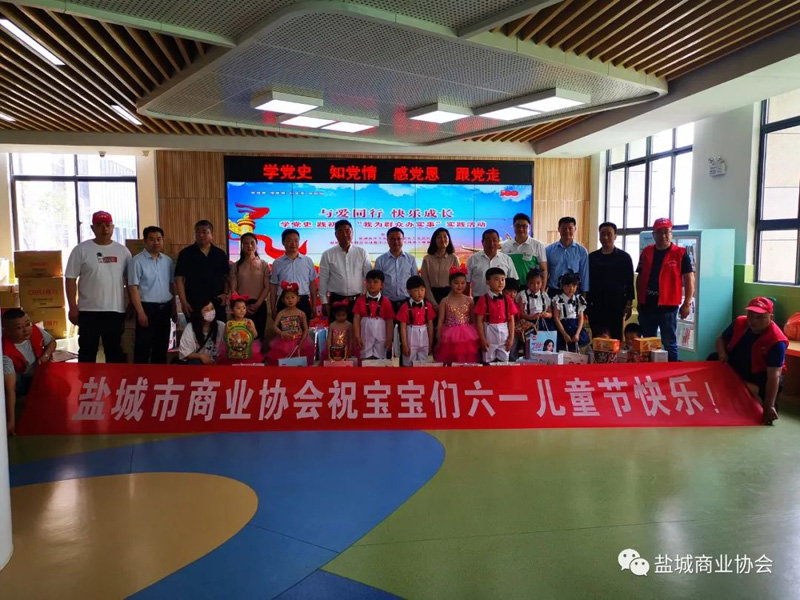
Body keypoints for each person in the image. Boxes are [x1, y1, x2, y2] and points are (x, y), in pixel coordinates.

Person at [65, 210, 131, 363]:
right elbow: (70, 279)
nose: (104, 229)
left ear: (113, 227)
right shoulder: (81, 250)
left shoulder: (123, 251)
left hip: (115, 310)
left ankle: (115, 379)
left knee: (114, 351)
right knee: (87, 351)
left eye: (107, 225)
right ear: (92, 227)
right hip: (88, 311)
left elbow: (130, 281)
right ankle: (86, 379)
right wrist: (73, 307)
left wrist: (130, 304)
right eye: (99, 225)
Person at [714, 297, 787, 425]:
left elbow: (774, 375)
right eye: (751, 315)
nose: (753, 321)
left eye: (759, 317)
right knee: (713, 358)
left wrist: (769, 405)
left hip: (761, 372)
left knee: (763, 402)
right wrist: (722, 354)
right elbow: (720, 339)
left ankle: (766, 402)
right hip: (739, 362)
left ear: (771, 318)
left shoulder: (777, 340)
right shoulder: (740, 322)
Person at [636, 217, 695, 362]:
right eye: (659, 232)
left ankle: (672, 371)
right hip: (647, 306)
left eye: (666, 232)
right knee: (647, 342)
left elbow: (689, 279)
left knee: (669, 343)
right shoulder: (646, 252)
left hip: (668, 307)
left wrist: (687, 303)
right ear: (653, 235)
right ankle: (649, 372)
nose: (663, 235)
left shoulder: (680, 253)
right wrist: (639, 300)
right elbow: (640, 277)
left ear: (671, 233)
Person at [3, 308, 56, 435]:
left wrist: (46, 355)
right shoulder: (5, 354)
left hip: (37, 374)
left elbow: (52, 342)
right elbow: (10, 389)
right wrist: (11, 422)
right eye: (19, 328)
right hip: (19, 380)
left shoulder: (35, 331)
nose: (26, 330)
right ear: (7, 331)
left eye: (28, 324)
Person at [128, 226, 175, 364]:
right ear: (145, 241)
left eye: (159, 239)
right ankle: (140, 376)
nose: (156, 242)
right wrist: (140, 312)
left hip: (165, 309)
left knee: (161, 348)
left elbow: (171, 285)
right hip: (147, 309)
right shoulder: (136, 261)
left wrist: (173, 308)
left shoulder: (167, 261)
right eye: (152, 239)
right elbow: (133, 288)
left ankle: (159, 376)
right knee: (143, 348)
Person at [587, 222, 634, 341]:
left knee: (616, 339)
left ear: (615, 236)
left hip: (616, 306)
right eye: (602, 234)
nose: (606, 237)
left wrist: (629, 305)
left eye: (609, 234)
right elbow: (586, 282)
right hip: (596, 306)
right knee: (599, 340)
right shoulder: (592, 258)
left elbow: (629, 283)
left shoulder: (624, 258)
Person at [175, 220, 230, 318]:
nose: (200, 235)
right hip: (193, 302)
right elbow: (179, 279)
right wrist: (183, 302)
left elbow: (226, 277)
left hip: (217, 302)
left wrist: (225, 294)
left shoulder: (220, 254)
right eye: (198, 232)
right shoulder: (185, 253)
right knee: (195, 327)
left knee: (219, 327)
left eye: (204, 232)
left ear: (212, 234)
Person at [319, 219, 372, 320]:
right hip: (336, 301)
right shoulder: (328, 254)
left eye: (347, 231)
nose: (344, 234)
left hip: (358, 301)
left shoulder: (362, 253)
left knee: (357, 329)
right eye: (340, 231)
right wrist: (324, 302)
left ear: (352, 232)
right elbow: (323, 279)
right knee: (336, 329)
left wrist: (367, 299)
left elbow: (368, 277)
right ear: (335, 235)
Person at [435, 265, 479, 364]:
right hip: (449, 336)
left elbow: (473, 320)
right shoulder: (444, 301)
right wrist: (439, 335)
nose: (460, 286)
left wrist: (478, 334)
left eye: (463, 283)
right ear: (450, 283)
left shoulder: (469, 300)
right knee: (451, 360)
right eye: (456, 283)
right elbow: (441, 320)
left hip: (467, 336)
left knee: (466, 361)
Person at [230, 232, 270, 341]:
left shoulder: (264, 264)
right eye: (246, 243)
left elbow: (267, 287)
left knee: (259, 337)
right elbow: (233, 289)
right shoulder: (235, 266)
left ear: (256, 245)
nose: (249, 246)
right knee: (242, 338)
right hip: (241, 307)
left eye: (252, 243)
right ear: (241, 246)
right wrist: (242, 306)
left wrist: (257, 304)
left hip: (259, 305)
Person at [271, 229, 318, 322]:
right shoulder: (277, 263)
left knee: (304, 329)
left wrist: (314, 305)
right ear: (283, 242)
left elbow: (312, 285)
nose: (293, 244)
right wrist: (273, 309)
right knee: (284, 331)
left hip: (303, 301)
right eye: (289, 240)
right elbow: (273, 287)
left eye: (296, 240)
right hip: (284, 302)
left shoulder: (307, 261)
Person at [474, 267, 518, 363]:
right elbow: (479, 321)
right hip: (489, 332)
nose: (500, 282)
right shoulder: (483, 299)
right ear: (488, 282)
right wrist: (482, 339)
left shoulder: (508, 299)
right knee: (488, 360)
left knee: (504, 360)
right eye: (496, 279)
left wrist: (511, 338)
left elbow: (511, 320)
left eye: (503, 279)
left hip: (504, 332)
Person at [267, 282, 315, 366]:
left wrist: (303, 340)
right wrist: (281, 333)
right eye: (287, 298)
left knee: (299, 364)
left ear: (298, 298)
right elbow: (275, 326)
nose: (290, 300)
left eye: (293, 297)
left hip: (299, 341)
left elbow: (306, 328)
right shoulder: (281, 313)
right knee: (285, 363)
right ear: (282, 300)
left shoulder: (301, 313)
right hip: (284, 342)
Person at [374, 227, 419, 314]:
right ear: (387, 240)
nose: (396, 242)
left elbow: (415, 282)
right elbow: (377, 283)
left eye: (399, 238)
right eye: (392, 239)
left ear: (403, 240)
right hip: (386, 303)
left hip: (407, 302)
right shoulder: (380, 260)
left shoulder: (411, 259)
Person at [352, 270, 395, 360]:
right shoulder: (360, 300)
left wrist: (389, 339)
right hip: (365, 332)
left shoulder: (386, 301)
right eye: (369, 282)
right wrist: (357, 336)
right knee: (365, 356)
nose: (372, 284)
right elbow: (356, 318)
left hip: (381, 331)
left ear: (381, 285)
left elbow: (389, 321)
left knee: (380, 356)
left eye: (375, 282)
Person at [466, 229, 518, 302]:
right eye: (488, 240)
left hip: (501, 301)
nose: (491, 243)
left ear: (498, 242)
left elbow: (514, 282)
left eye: (494, 240)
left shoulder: (507, 259)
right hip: (478, 300)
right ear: (482, 242)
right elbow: (467, 282)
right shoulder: (473, 259)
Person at [396, 275, 436, 366]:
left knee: (424, 362)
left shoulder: (428, 306)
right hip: (411, 332)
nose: (420, 293)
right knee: (409, 360)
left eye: (422, 290)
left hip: (424, 333)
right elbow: (403, 328)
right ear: (409, 291)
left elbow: (430, 326)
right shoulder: (405, 307)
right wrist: (404, 345)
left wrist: (430, 343)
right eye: (416, 290)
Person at [545, 216, 589, 296]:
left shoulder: (582, 251)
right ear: (559, 229)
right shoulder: (549, 250)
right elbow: (545, 272)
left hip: (573, 292)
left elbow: (584, 274)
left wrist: (584, 294)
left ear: (575, 229)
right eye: (564, 228)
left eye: (570, 228)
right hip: (554, 291)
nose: (567, 231)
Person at [501, 213, 548, 285]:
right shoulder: (506, 246)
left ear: (529, 228)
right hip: (511, 288)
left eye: (524, 226)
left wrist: (542, 290)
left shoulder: (538, 245)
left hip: (531, 287)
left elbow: (543, 270)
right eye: (518, 226)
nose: (521, 229)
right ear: (513, 227)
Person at [421, 227, 460, 308]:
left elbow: (457, 281)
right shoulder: (427, 259)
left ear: (449, 239)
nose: (442, 239)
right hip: (431, 296)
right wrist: (434, 304)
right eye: (439, 237)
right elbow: (425, 283)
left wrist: (447, 302)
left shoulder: (454, 258)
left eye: (445, 236)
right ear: (434, 240)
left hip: (449, 296)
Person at [178, 300, 225, 365]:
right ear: (199, 312)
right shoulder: (190, 327)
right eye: (206, 310)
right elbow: (185, 353)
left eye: (212, 309)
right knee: (194, 363)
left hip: (217, 363)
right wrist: (200, 356)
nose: (210, 312)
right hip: (199, 363)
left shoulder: (221, 326)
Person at [221, 294, 262, 365]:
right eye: (238, 308)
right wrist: (227, 333)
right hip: (233, 349)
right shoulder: (229, 323)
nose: (242, 310)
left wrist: (251, 329)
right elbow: (225, 338)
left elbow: (255, 335)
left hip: (246, 348)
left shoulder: (249, 321)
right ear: (232, 309)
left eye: (244, 308)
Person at [552, 272, 589, 351]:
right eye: (568, 286)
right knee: (562, 350)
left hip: (575, 329)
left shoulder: (579, 299)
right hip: (563, 328)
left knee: (576, 351)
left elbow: (581, 318)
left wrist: (577, 333)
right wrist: (564, 334)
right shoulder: (558, 299)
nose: (571, 288)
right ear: (562, 286)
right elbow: (556, 318)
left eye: (574, 285)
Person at [516, 268, 552, 347]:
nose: (535, 286)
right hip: (528, 323)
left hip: (542, 323)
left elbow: (550, 314)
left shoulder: (544, 295)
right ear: (527, 283)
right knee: (529, 345)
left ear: (542, 283)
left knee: (543, 344)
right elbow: (520, 313)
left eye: (538, 283)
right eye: (532, 283)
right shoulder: (523, 295)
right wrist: (531, 317)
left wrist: (546, 314)